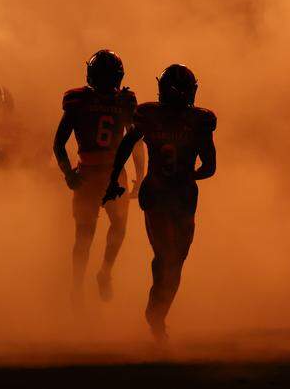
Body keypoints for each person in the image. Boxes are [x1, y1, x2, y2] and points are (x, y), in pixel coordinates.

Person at [104, 64, 216, 341]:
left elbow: (210, 165)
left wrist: (115, 179)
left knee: (176, 259)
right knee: (168, 257)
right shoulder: (187, 120)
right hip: (163, 194)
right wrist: (187, 174)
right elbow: (209, 166)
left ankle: (158, 311)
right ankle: (156, 317)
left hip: (177, 195)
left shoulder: (159, 116)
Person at [53, 50, 144, 302]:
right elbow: (137, 142)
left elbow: (59, 143)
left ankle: (80, 284)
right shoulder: (124, 101)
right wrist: (141, 175)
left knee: (86, 234)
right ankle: (93, 277)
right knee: (104, 230)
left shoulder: (78, 100)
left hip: (92, 173)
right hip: (112, 174)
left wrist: (69, 173)